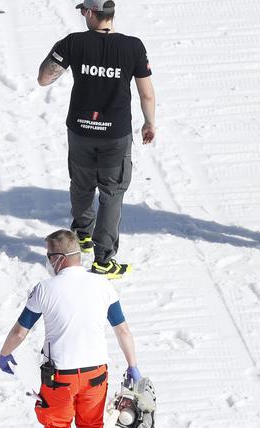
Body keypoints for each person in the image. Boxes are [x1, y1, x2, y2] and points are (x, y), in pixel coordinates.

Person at [0, 230, 139, 428]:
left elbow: (20, 330)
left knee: (56, 427)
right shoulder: (102, 285)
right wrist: (133, 365)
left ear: (59, 258)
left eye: (50, 256)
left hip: (59, 377)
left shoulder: (45, 289)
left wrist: (5, 353)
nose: (49, 262)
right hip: (95, 374)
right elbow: (122, 329)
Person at [38, 0, 156, 279]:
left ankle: (82, 234)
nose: (81, 15)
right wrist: (149, 123)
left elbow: (44, 78)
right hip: (115, 134)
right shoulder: (133, 47)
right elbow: (147, 93)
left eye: (82, 11)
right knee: (112, 193)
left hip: (80, 129)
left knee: (81, 184)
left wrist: (60, 54)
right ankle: (104, 260)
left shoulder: (73, 43)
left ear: (91, 13)